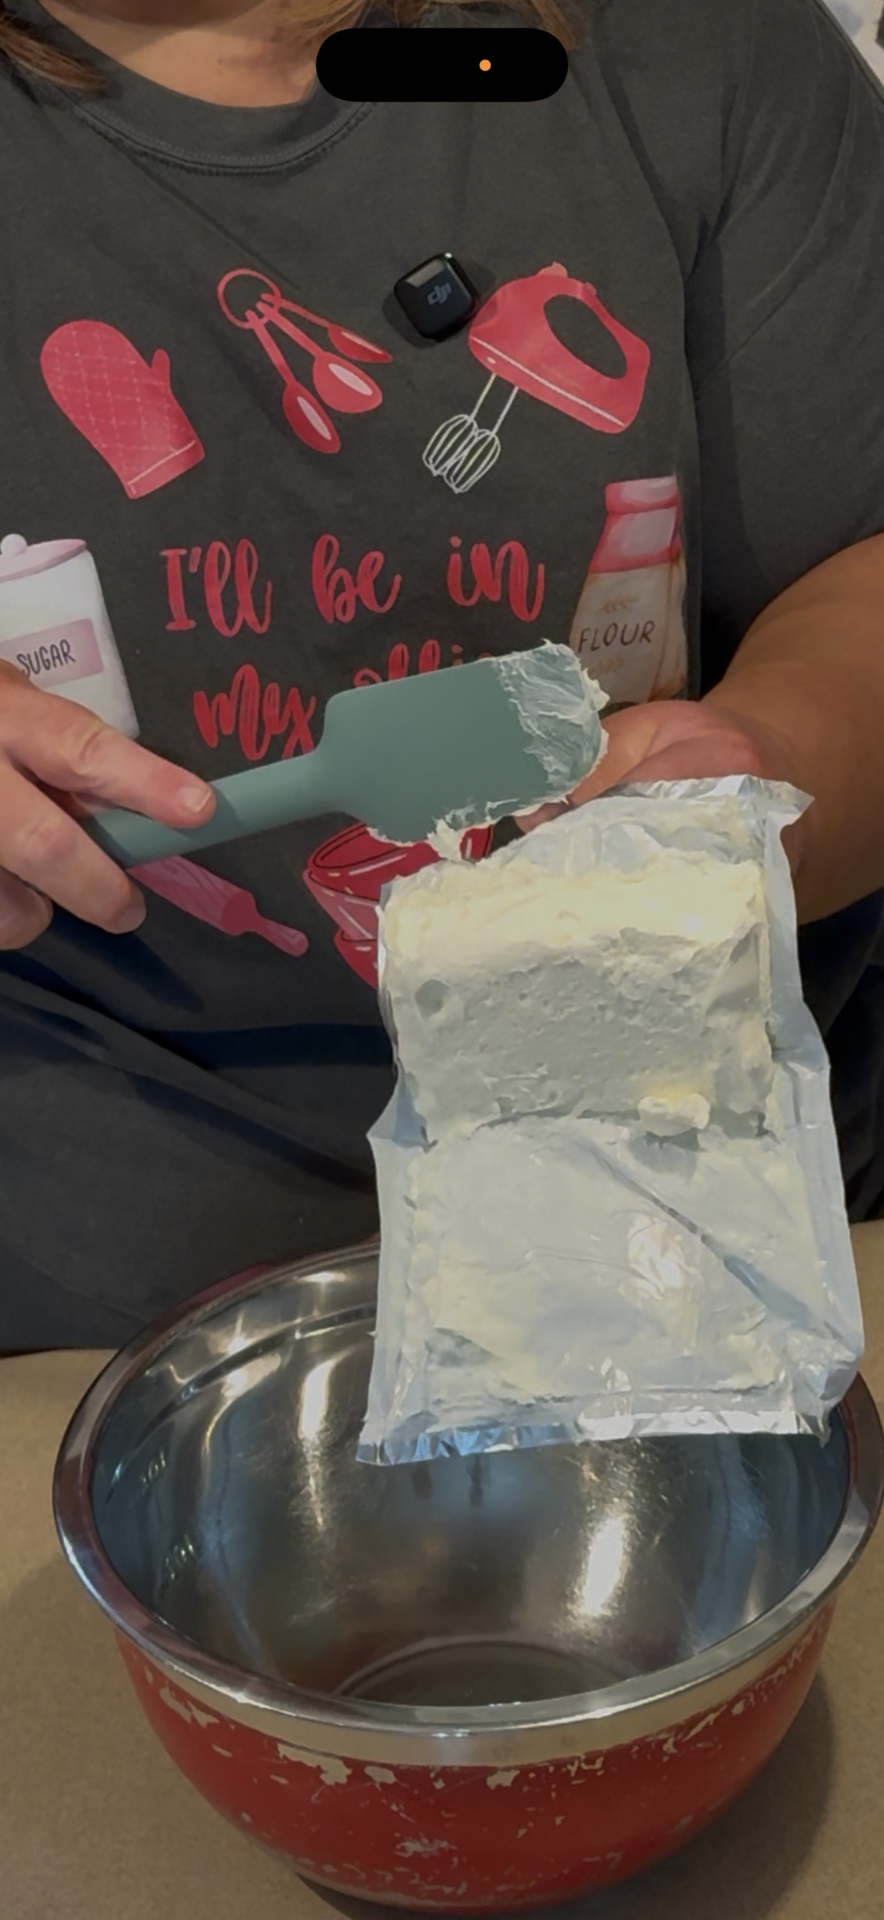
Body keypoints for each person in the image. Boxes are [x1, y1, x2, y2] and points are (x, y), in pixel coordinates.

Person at [1, 0, 884, 1350]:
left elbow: (857, 572)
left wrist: (768, 782)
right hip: (111, 1241)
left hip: (732, 1178)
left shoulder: (694, 48)